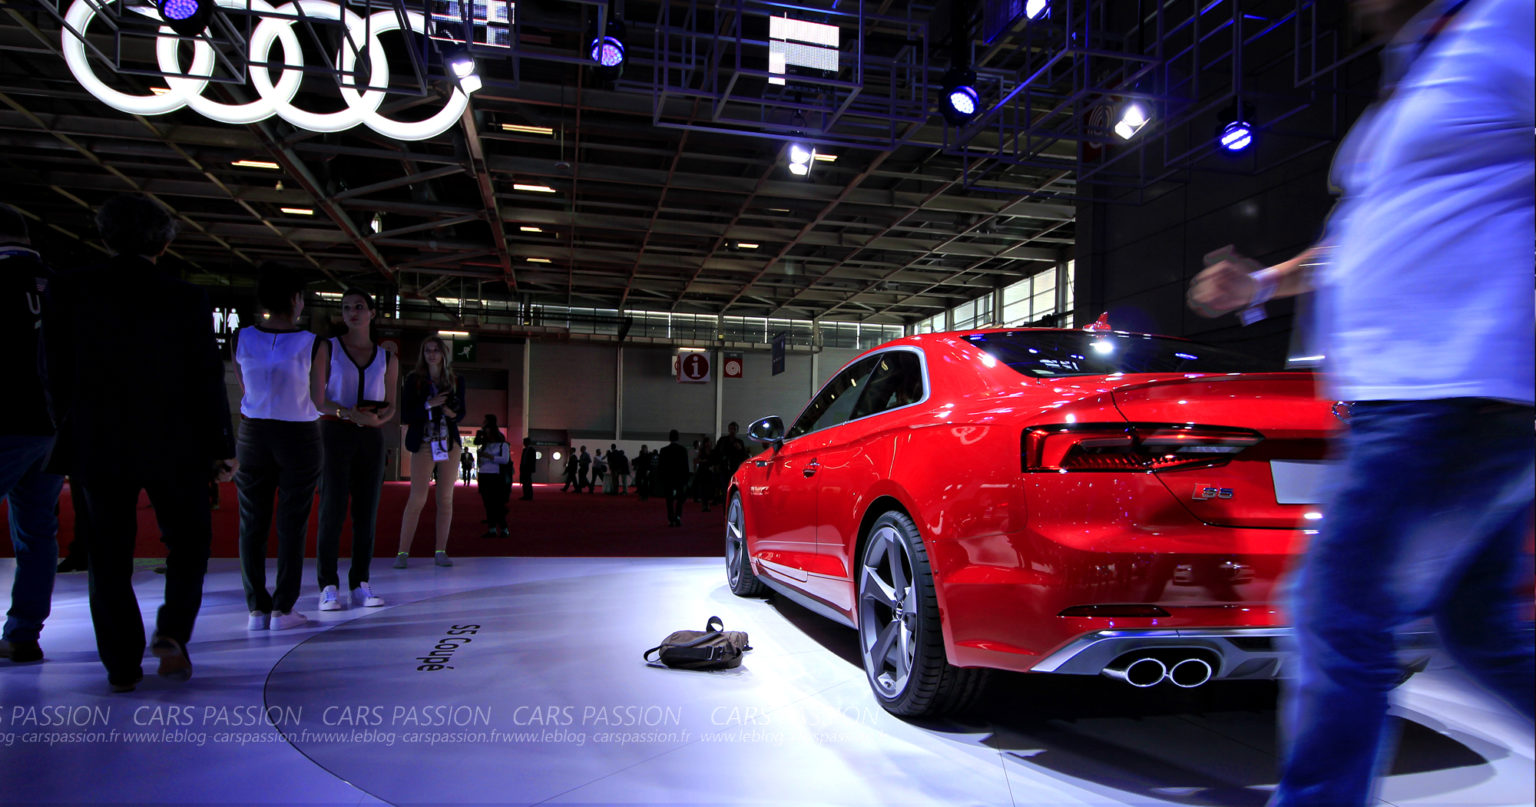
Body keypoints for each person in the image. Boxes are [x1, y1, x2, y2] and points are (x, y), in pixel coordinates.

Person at [1186, 2, 1533, 803]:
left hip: (1452, 391)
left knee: (1334, 616)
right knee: (1477, 628)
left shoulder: (1512, 23)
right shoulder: (1412, 78)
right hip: (1396, 400)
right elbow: (1372, 232)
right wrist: (1264, 283)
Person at [47, 194, 236, 691]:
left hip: (100, 440)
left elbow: (54, 371)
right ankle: (172, 631)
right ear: (166, 242)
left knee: (107, 555)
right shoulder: (187, 298)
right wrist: (221, 443)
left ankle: (121, 665)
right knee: (190, 544)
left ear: (105, 236)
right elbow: (207, 378)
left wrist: (69, 428)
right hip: (178, 442)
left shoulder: (71, 290)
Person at [233, 263, 324, 632]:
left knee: (251, 521)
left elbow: (243, 388)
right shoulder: (312, 342)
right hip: (298, 434)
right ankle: (283, 609)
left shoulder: (241, 338)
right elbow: (318, 399)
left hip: (252, 433)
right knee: (292, 522)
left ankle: (256, 608)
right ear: (295, 300)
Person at [0, 204, 63, 665]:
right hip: (54, 428)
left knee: (36, 531)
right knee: (38, 532)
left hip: (6, 421)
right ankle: (24, 633)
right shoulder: (63, 284)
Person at [312, 288, 395, 612]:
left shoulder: (388, 357)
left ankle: (360, 581)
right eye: (346, 308)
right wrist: (346, 413)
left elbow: (391, 407)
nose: (353, 313)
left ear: (372, 313)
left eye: (359, 306)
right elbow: (318, 399)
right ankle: (328, 584)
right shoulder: (328, 348)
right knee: (331, 509)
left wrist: (374, 418)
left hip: (370, 436)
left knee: (366, 512)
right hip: (334, 432)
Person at [394, 336, 466, 568]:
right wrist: (429, 404)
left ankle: (440, 551)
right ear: (422, 355)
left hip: (449, 443)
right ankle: (403, 553)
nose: (432, 354)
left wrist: (451, 412)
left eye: (436, 350)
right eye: (427, 351)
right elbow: (406, 413)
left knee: (445, 498)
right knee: (417, 497)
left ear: (444, 354)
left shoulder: (455, 380)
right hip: (424, 442)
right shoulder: (414, 380)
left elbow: (462, 411)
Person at [475, 417, 510, 537]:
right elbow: (481, 463)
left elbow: (505, 460)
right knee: (487, 503)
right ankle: (492, 529)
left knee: (497, 504)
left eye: (487, 429)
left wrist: (489, 457)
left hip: (496, 477)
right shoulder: (485, 446)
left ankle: (504, 529)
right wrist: (481, 458)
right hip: (484, 475)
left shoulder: (503, 445)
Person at [657, 431, 690, 528]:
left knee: (669, 500)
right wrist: (686, 478)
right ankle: (678, 516)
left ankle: (671, 519)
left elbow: (661, 466)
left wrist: (661, 478)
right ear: (678, 438)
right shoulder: (683, 450)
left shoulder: (664, 450)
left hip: (668, 478)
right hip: (679, 478)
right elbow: (685, 466)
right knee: (680, 499)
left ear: (669, 438)